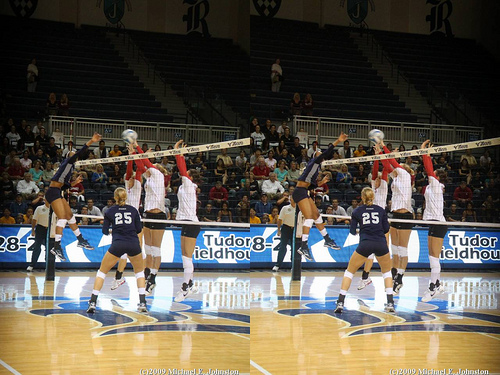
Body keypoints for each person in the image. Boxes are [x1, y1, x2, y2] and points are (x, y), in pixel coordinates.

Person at [334, 187, 395, 313]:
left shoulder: (357, 211)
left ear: (362, 198)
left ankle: (340, 302)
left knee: (349, 272)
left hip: (365, 244)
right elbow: (385, 229)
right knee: (387, 273)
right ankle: (390, 303)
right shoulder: (381, 210)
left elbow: (351, 232)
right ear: (373, 197)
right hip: (381, 244)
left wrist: (361, 230)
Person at [86, 188, 147, 314]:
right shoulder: (133, 210)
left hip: (118, 243)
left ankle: (93, 302)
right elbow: (138, 229)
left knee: (102, 272)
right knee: (139, 273)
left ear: (115, 198)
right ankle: (142, 302)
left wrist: (113, 230)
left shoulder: (110, 211)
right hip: (133, 243)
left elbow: (104, 231)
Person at [291, 133, 348, 260]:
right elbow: (327, 153)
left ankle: (327, 239)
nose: (320, 153)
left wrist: (321, 183)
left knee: (316, 215)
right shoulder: (313, 162)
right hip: (299, 192)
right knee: (310, 217)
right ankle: (304, 246)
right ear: (315, 156)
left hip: (304, 190)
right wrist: (338, 140)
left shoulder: (315, 169)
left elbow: (309, 186)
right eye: (319, 152)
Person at [45, 133, 99, 262]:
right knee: (62, 218)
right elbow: (80, 152)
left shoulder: (70, 169)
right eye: (72, 153)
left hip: (57, 191)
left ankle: (80, 240)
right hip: (52, 192)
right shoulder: (67, 162)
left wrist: (74, 184)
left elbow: (63, 187)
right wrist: (91, 140)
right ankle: (56, 246)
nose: (73, 153)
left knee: (70, 216)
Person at [129, 143, 166, 294]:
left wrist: (138, 148)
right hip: (147, 215)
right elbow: (141, 165)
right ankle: (147, 273)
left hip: (158, 215)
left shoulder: (158, 175)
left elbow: (145, 163)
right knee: (148, 249)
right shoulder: (149, 178)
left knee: (156, 249)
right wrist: (133, 154)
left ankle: (153, 277)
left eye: (152, 166)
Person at [381, 140, 414, 294]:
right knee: (394, 249)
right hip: (395, 215)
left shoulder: (405, 175)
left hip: (405, 215)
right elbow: (387, 166)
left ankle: (400, 277)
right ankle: (394, 276)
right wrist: (379, 154)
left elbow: (392, 163)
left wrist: (384, 147)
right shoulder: (396, 178)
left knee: (402, 249)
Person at [358, 145, 393, 290]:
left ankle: (390, 279)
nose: (377, 178)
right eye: (376, 178)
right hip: (372, 220)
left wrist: (383, 153)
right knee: (370, 253)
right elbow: (374, 171)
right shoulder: (373, 187)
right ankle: (365, 278)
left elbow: (385, 170)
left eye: (379, 177)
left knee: (384, 251)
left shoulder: (384, 185)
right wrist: (377, 155)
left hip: (381, 220)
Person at [173, 140, 203, 302]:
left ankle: (186, 287)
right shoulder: (183, 187)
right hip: (185, 222)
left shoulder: (189, 184)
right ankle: (189, 284)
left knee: (186, 257)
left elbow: (182, 169)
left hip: (192, 223)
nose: (183, 175)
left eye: (186, 174)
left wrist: (179, 154)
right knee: (184, 257)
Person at [111, 153, 145, 290]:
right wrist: (130, 156)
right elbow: (129, 171)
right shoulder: (126, 186)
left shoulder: (137, 185)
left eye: (133, 177)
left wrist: (135, 154)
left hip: (135, 222)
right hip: (126, 222)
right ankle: (119, 277)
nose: (130, 178)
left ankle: (144, 277)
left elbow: (137, 172)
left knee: (138, 252)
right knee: (123, 252)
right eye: (130, 177)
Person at [420, 140, 447, 302]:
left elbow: (428, 169)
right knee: (431, 257)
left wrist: (425, 153)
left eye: (434, 173)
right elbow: (428, 170)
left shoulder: (436, 184)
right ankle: (437, 284)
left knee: (434, 258)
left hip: (439, 223)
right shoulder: (431, 186)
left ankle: (432, 288)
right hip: (433, 222)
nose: (431, 174)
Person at [272, 197, 297, 272]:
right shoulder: (285, 208)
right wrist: (279, 230)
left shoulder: (300, 209)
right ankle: (277, 265)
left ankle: (293, 266)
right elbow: (280, 220)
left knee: (294, 248)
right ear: (290, 199)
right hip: (286, 229)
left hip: (295, 229)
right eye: (292, 198)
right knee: (282, 247)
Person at [27, 199, 51, 271]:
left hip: (49, 229)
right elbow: (34, 220)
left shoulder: (53, 209)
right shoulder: (39, 208)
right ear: (45, 200)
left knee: (49, 248)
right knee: (37, 247)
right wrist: (33, 230)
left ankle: (48, 265)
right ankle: (31, 265)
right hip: (40, 228)